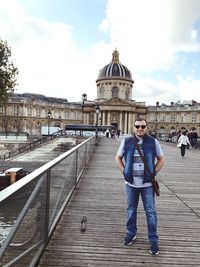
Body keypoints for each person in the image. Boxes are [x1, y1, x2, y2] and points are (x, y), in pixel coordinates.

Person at [115, 118, 165, 255]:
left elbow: (162, 158)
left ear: (146, 127)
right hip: (131, 183)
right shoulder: (126, 141)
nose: (140, 129)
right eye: (137, 126)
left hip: (148, 184)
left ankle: (153, 240)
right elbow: (118, 157)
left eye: (143, 126)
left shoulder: (153, 142)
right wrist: (124, 171)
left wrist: (154, 171)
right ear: (133, 127)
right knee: (131, 210)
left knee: (151, 212)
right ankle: (131, 233)